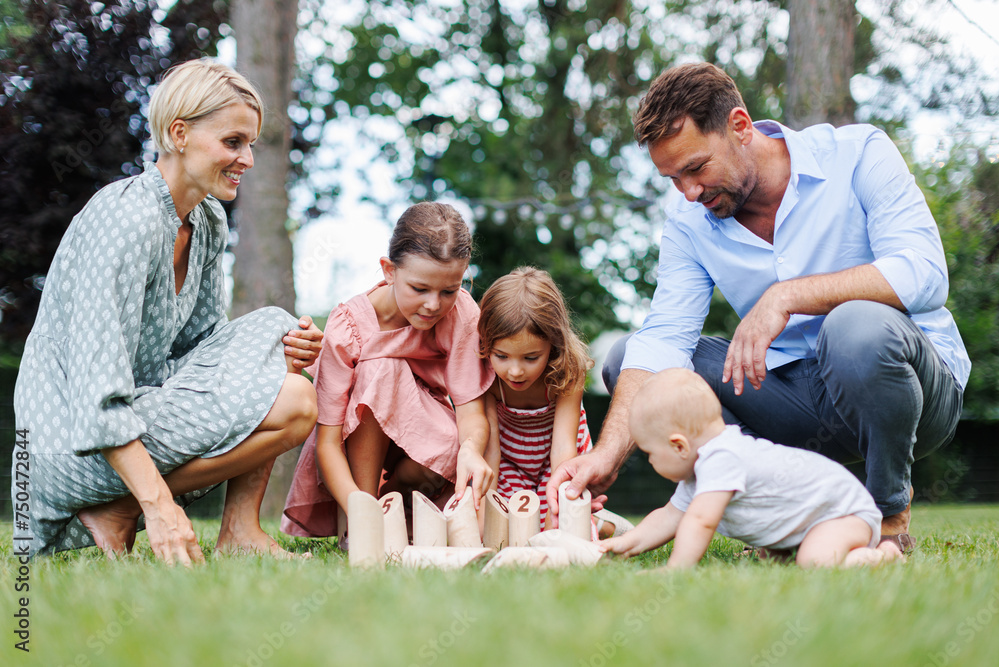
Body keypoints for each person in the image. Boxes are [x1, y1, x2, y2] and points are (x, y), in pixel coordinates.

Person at [549, 62, 969, 556]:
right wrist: (608, 452)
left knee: (855, 326)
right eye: (673, 178)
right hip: (794, 403)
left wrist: (787, 295)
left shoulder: (858, 154)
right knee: (631, 362)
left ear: (740, 127)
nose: (689, 193)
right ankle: (775, 520)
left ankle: (888, 518)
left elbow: (925, 273)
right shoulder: (689, 220)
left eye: (696, 168)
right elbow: (665, 338)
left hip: (909, 389)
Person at [13, 59, 323, 565]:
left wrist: (285, 349)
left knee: (278, 338)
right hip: (66, 445)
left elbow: (201, 351)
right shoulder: (126, 219)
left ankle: (233, 528)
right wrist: (158, 506)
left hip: (144, 414)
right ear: (178, 133)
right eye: (232, 142)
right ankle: (125, 504)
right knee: (290, 397)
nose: (247, 158)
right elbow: (96, 394)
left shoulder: (206, 221)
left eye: (250, 144)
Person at [280, 202, 494, 540]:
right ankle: (361, 520)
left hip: (424, 438)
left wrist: (470, 450)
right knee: (382, 368)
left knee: (459, 441)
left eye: (449, 291)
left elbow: (471, 412)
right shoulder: (348, 327)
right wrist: (358, 507)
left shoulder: (462, 315)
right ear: (389, 271)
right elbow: (328, 443)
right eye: (419, 289)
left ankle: (393, 504)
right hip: (356, 444)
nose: (433, 305)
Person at [600, 369, 896, 568]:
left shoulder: (723, 457)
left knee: (815, 561)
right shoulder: (700, 470)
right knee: (781, 559)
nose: (650, 462)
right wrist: (625, 543)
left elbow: (701, 520)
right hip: (811, 521)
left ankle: (883, 556)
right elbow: (668, 517)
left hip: (842, 513)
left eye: (650, 452)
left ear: (679, 446)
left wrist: (676, 568)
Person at [476, 267, 629, 536]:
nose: (515, 371)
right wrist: (483, 527)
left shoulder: (568, 370)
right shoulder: (485, 373)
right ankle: (598, 522)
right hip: (510, 460)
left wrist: (555, 529)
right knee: (511, 528)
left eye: (530, 358)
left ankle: (601, 524)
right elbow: (491, 453)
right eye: (501, 356)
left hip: (556, 460)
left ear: (554, 343)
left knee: (565, 527)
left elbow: (563, 452)